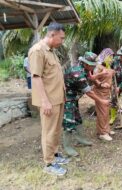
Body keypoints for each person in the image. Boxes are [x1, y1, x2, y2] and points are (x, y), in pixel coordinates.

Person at [29, 22, 69, 176]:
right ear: (52, 35)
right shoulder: (38, 51)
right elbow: (36, 78)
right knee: (49, 131)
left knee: (56, 130)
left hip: (57, 98)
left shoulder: (51, 51)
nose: (62, 41)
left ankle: (55, 154)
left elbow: (54, 75)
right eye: (62, 38)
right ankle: (49, 163)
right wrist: (45, 101)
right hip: (48, 100)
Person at [63, 52, 110, 156]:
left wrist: (100, 80)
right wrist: (102, 101)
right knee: (69, 122)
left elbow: (91, 78)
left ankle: (81, 139)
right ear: (85, 63)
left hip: (74, 97)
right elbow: (88, 92)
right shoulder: (77, 73)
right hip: (67, 99)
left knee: (78, 118)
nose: (94, 66)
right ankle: (67, 147)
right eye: (92, 65)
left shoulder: (85, 68)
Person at [89, 48, 116, 141]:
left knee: (106, 112)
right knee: (102, 113)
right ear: (105, 56)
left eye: (112, 56)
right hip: (100, 92)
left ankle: (107, 129)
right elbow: (93, 78)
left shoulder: (108, 67)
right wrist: (101, 84)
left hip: (107, 93)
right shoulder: (99, 66)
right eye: (110, 56)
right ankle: (102, 133)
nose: (111, 58)